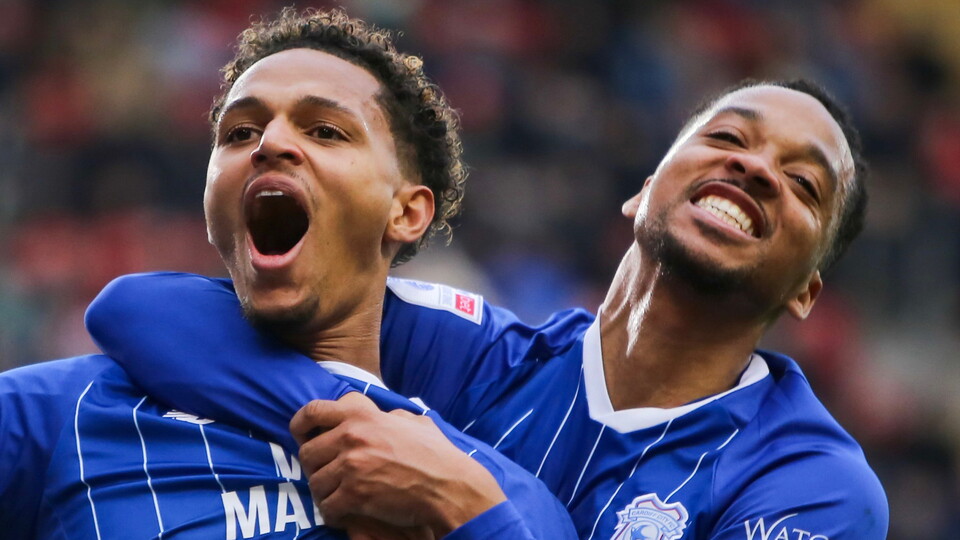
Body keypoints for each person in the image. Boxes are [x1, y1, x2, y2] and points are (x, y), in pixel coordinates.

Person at [88, 78, 889, 539]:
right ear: (645, 190)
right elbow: (142, 314)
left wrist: (470, 503)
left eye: (803, 183)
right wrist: (382, 420)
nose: (753, 167)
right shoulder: (475, 352)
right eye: (726, 138)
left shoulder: (809, 481)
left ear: (805, 289)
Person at [0, 7, 579, 539]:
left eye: (325, 130)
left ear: (406, 212)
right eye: (239, 133)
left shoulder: (477, 474)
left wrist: (461, 503)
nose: (270, 143)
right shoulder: (69, 412)